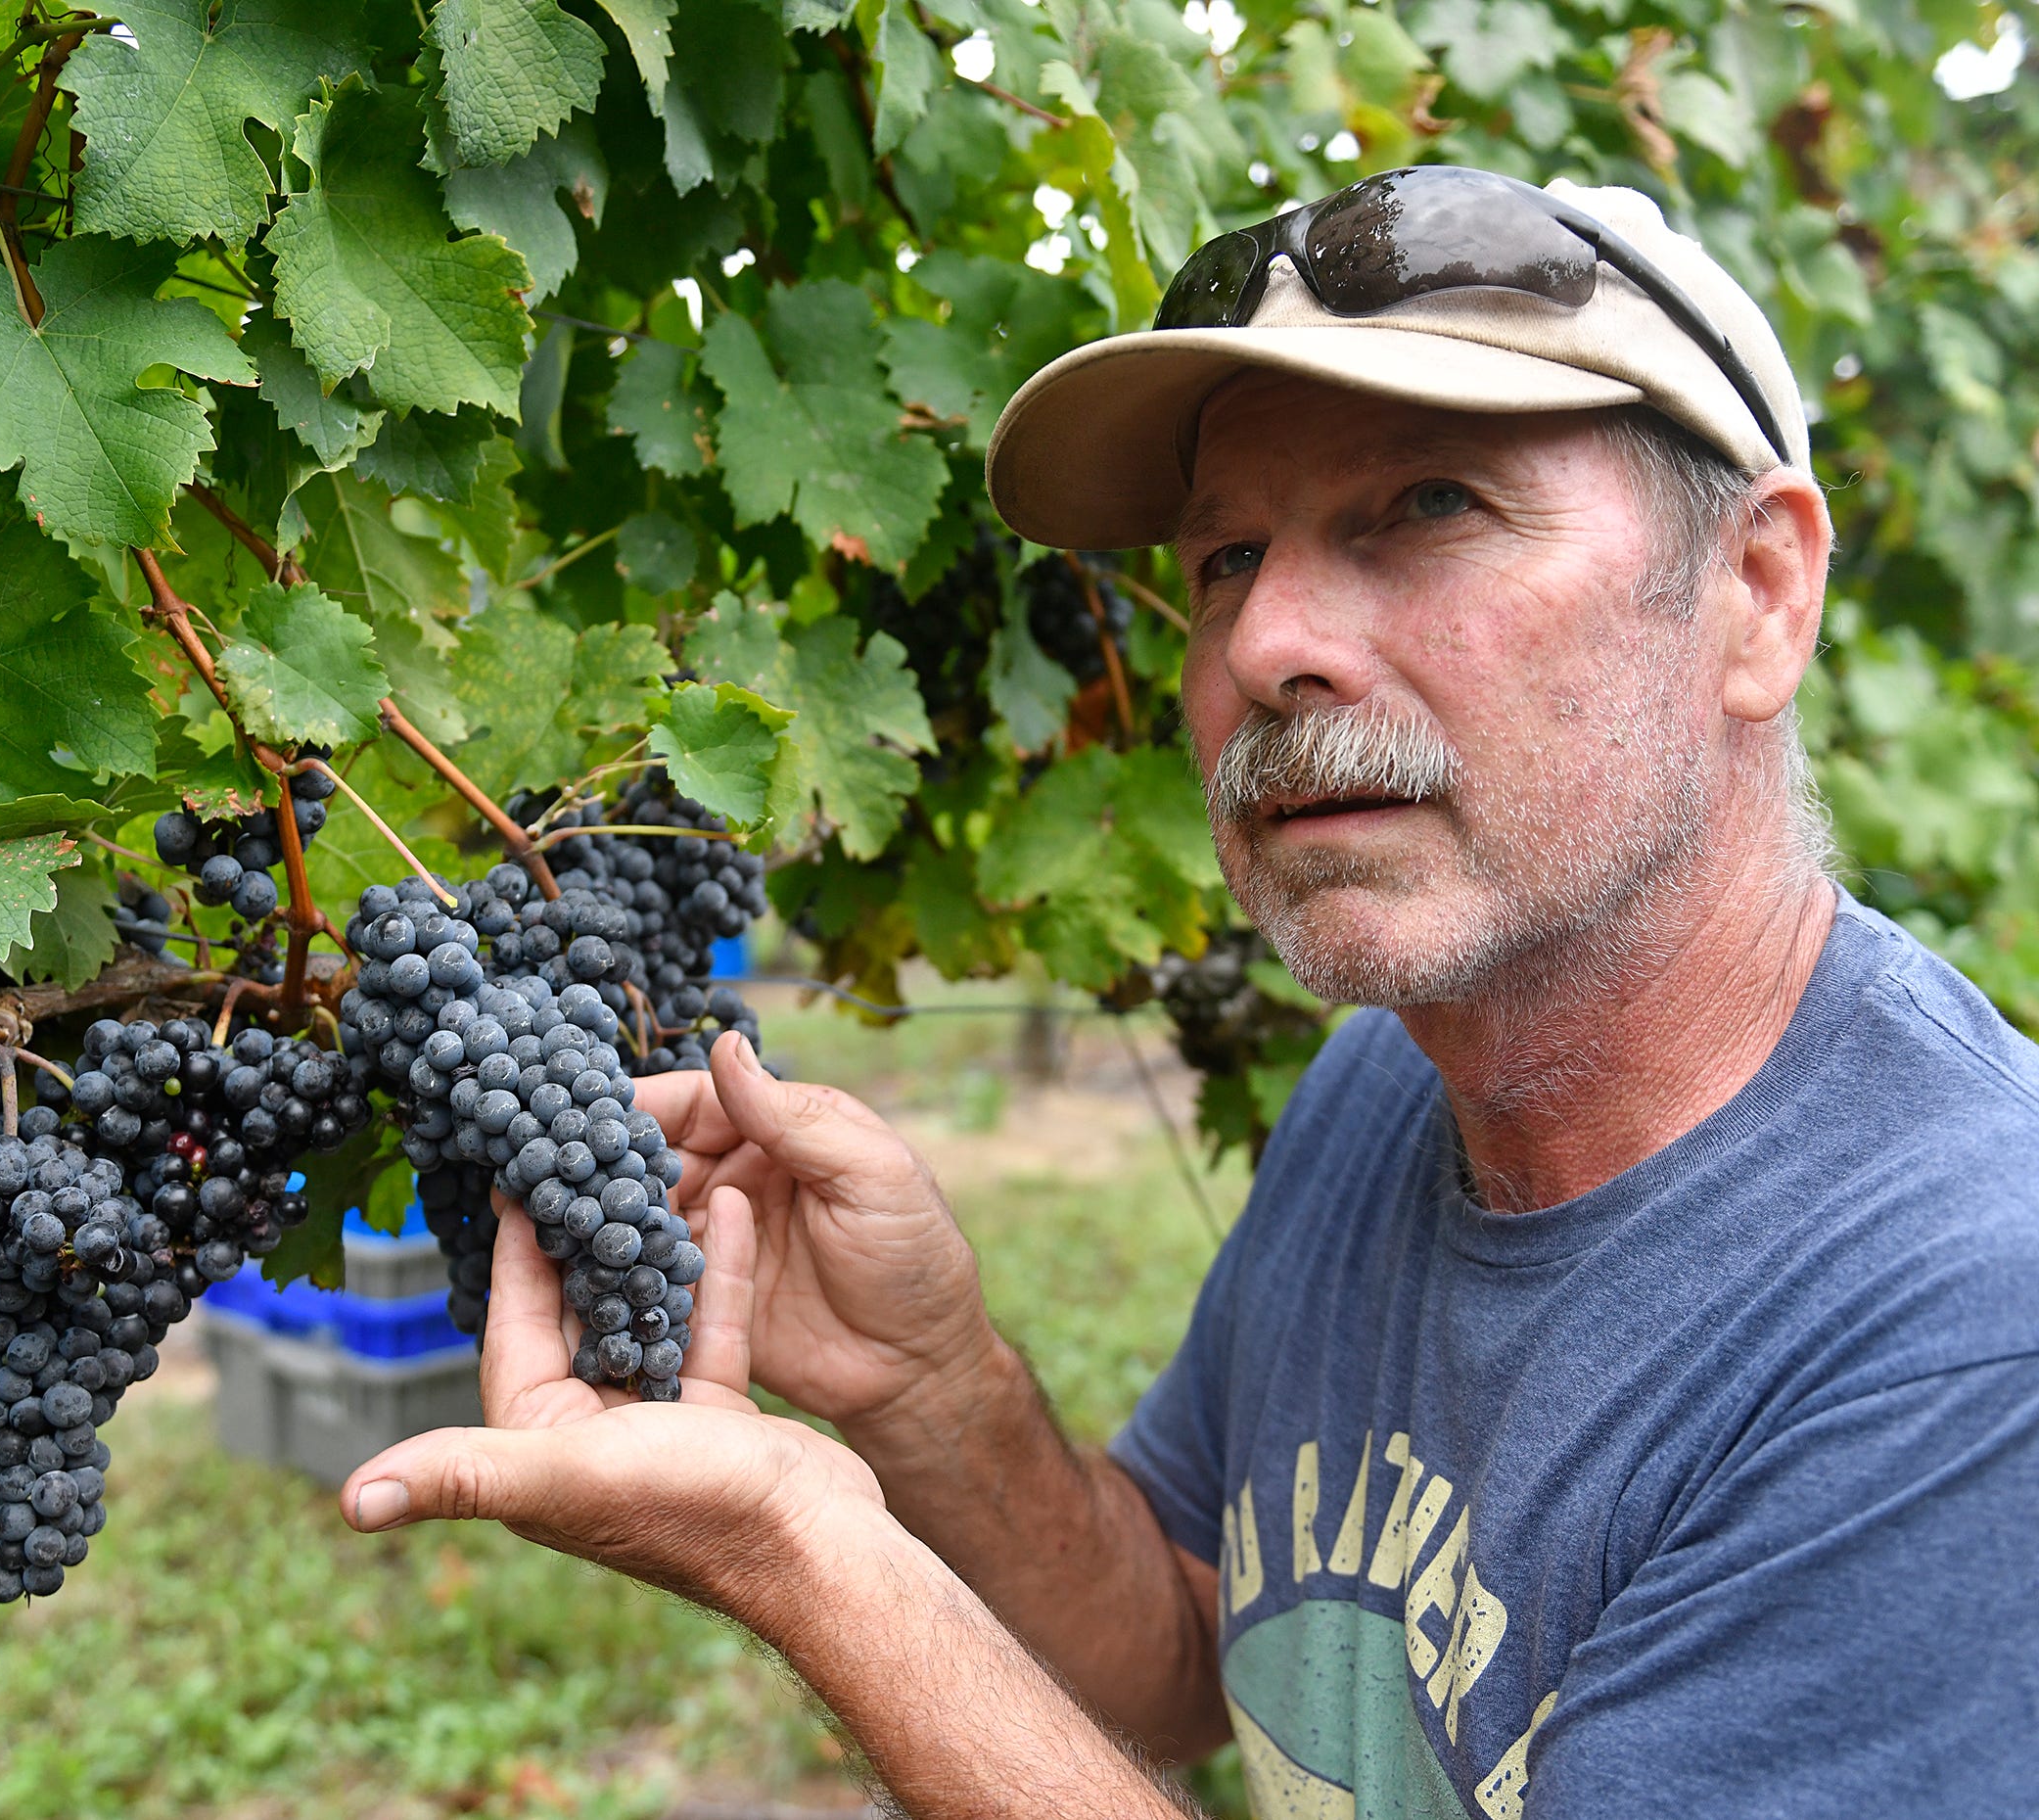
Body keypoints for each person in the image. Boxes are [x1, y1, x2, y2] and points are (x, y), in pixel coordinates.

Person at [339, 166, 2039, 1819]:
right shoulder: (1390, 1087)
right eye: (1226, 556)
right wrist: (933, 1390)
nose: (1265, 643)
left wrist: (814, 1561)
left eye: (1430, 504)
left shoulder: (1967, 1327)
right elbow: (1184, 1655)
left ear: (1758, 593)